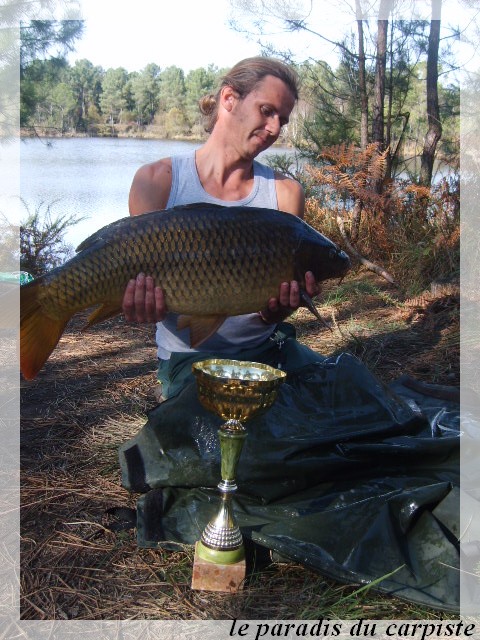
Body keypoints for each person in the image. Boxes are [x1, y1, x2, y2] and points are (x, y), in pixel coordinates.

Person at [122, 57, 324, 400]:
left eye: (283, 119)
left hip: (266, 354)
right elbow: (136, 287)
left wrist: (280, 309)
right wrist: (137, 304)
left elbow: (268, 313)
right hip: (187, 359)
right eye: (266, 110)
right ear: (229, 99)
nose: (275, 129)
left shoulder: (285, 193)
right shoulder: (157, 182)